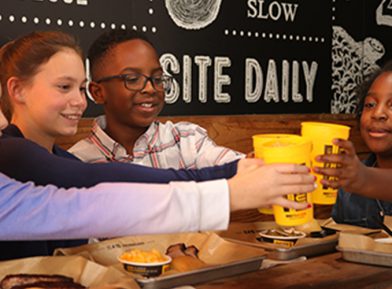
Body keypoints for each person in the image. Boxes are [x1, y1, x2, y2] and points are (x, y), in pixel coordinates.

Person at [0, 30, 315, 259]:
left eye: (80, 88)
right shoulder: (10, 151)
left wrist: (242, 169)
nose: (78, 101)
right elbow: (105, 181)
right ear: (18, 90)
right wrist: (230, 179)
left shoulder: (62, 158)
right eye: (64, 87)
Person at [69, 28, 244, 167]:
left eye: (158, 79)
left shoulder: (186, 141)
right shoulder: (77, 162)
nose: (150, 88)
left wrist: (253, 166)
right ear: (98, 93)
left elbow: (238, 167)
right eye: (132, 79)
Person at [314, 60, 392, 229]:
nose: (378, 113)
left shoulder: (356, 176)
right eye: (370, 104)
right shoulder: (347, 184)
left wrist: (364, 179)